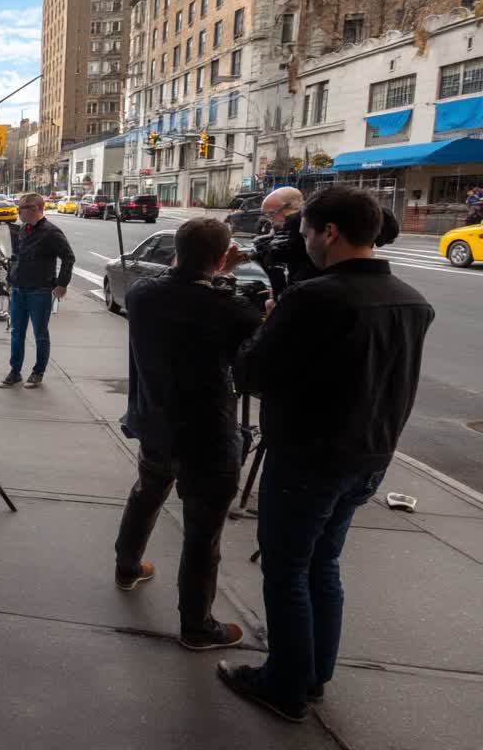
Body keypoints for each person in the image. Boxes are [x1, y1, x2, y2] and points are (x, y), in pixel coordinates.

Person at [219, 186, 434, 723]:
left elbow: (250, 374)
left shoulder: (314, 297)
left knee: (287, 570)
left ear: (329, 233)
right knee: (323, 565)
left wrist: (270, 321)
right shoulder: (411, 300)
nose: (304, 240)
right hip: (369, 458)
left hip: (308, 456)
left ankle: (284, 685)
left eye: (307, 231)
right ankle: (313, 675)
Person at [114, 219, 262, 649]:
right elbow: (251, 367)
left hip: (156, 423)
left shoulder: (142, 294)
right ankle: (197, 625)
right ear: (219, 259)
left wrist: (214, 271)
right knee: (202, 531)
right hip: (208, 436)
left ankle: (127, 566)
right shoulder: (231, 309)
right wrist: (227, 280)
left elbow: (178, 283)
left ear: (176, 251)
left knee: (147, 492)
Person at [0, 193, 75, 388]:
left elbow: (68, 257)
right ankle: (15, 371)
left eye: (21, 209)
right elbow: (19, 257)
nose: (18, 212)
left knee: (40, 333)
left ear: (34, 209)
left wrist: (61, 283)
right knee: (17, 332)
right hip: (19, 288)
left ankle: (38, 372)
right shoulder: (24, 229)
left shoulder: (51, 232)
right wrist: (11, 277)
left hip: (39, 290)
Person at [259, 186, 316, 286]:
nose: (270, 220)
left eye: (271, 214)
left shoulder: (294, 224)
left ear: (289, 208)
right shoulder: (308, 221)